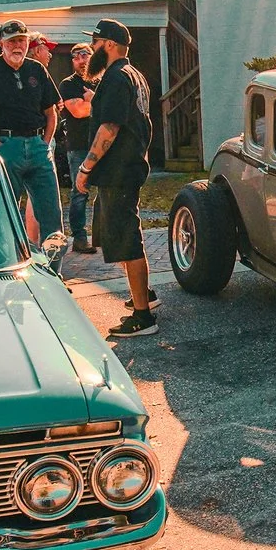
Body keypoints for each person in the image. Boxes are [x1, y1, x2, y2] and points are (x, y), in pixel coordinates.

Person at [76, 17, 156, 338]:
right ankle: (145, 295)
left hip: (119, 171)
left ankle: (143, 316)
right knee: (121, 235)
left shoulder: (115, 78)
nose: (92, 48)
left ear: (108, 44)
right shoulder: (134, 75)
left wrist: (85, 168)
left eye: (95, 42)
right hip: (128, 168)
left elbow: (109, 128)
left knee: (128, 239)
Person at [0, 19, 60, 245]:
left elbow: (51, 112)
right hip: (6, 145)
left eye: (22, 41)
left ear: (28, 43)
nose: (18, 46)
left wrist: (45, 142)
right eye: (12, 41)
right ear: (1, 43)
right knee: (5, 213)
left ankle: (54, 270)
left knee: (51, 215)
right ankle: (10, 266)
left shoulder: (37, 69)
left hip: (37, 146)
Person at [57, 42, 99, 252]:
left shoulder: (103, 81)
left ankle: (102, 234)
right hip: (79, 146)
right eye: (76, 57)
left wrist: (92, 100)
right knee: (80, 191)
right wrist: (99, 103)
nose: (82, 60)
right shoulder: (68, 84)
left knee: (106, 190)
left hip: (104, 144)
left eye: (85, 55)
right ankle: (80, 238)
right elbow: (78, 112)